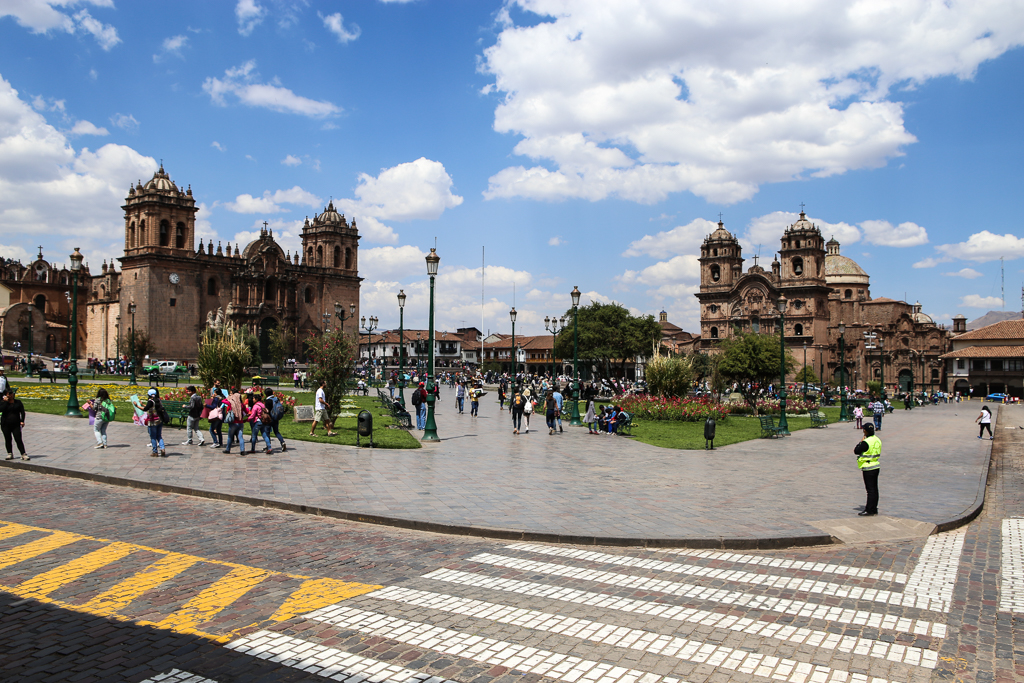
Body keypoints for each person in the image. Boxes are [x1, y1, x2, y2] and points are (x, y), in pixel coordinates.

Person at [853, 423, 881, 516]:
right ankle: (874, 508)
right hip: (876, 465)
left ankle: (869, 509)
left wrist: (861, 442)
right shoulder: (877, 440)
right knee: (874, 489)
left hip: (868, 467)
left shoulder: (866, 442)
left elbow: (856, 451)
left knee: (870, 490)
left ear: (865, 430)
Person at [1, 389, 28, 461]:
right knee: (8, 439)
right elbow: (1, 410)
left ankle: (23, 454)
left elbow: (22, 412)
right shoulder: (2, 403)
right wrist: (5, 402)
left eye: (11, 393)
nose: (11, 395)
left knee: (18, 439)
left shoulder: (18, 402)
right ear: (5, 395)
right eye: (9, 394)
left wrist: (22, 421)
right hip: (5, 424)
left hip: (15, 424)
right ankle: (10, 453)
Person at [142, 388, 166, 457]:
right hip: (159, 420)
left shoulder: (151, 401)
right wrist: (143, 404)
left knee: (153, 437)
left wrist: (137, 405)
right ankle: (162, 448)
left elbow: (146, 409)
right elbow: (151, 407)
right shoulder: (158, 400)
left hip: (152, 421)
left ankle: (155, 451)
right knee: (159, 436)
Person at [222, 388, 246, 455]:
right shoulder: (241, 404)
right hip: (240, 423)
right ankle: (242, 450)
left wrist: (229, 397)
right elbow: (247, 412)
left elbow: (223, 401)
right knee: (240, 437)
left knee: (230, 436)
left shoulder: (231, 403)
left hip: (233, 423)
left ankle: (228, 449)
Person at [264, 388, 287, 452]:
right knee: (276, 432)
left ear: (266, 394)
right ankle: (282, 442)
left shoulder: (268, 401)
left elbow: (267, 411)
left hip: (269, 419)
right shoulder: (276, 399)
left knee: (267, 433)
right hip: (276, 418)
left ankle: (268, 446)